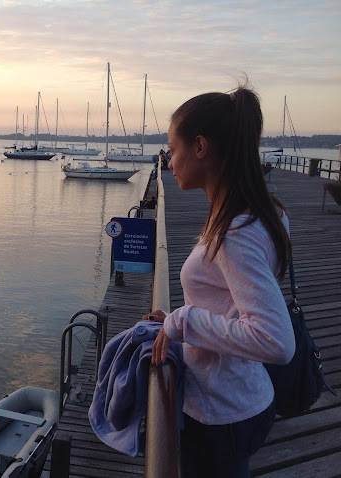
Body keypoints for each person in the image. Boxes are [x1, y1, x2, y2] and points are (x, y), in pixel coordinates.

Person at [143, 84, 295, 477]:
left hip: (220, 413)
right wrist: (175, 319)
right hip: (245, 398)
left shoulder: (234, 234)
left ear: (200, 147)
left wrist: (184, 320)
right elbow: (232, 300)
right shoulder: (266, 212)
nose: (168, 162)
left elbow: (275, 341)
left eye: (172, 149)